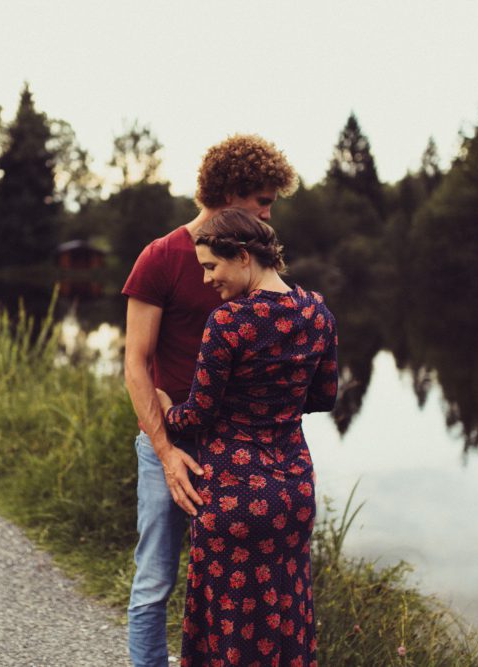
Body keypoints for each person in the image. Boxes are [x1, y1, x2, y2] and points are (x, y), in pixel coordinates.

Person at [123, 135, 298, 667]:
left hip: (239, 452)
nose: (270, 215)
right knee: (156, 580)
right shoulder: (162, 257)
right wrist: (166, 451)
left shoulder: (249, 262)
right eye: (263, 201)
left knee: (232, 592)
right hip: (169, 444)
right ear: (230, 193)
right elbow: (136, 363)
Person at [155, 208, 338, 666]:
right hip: (293, 489)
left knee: (229, 626)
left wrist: (164, 413)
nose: (205, 280)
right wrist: (275, 404)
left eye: (210, 267)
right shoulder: (317, 311)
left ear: (241, 256)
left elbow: (198, 415)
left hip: (234, 495)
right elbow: (326, 396)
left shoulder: (227, 322)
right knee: (286, 614)